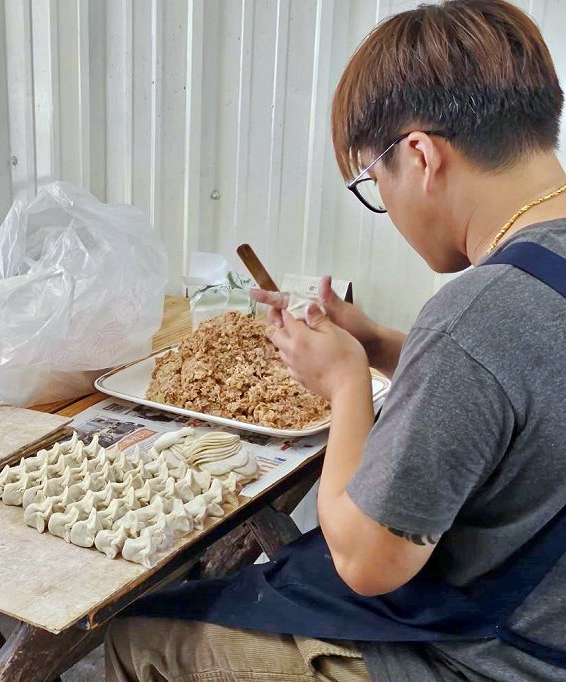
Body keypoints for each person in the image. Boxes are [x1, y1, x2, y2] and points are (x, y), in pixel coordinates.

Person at [105, 1, 566, 680]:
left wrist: (347, 384)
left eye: (374, 184)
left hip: (492, 658)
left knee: (141, 633)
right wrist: (378, 343)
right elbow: (523, 382)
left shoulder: (473, 314)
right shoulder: (531, 279)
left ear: (420, 156)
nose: (388, 207)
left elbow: (366, 560)